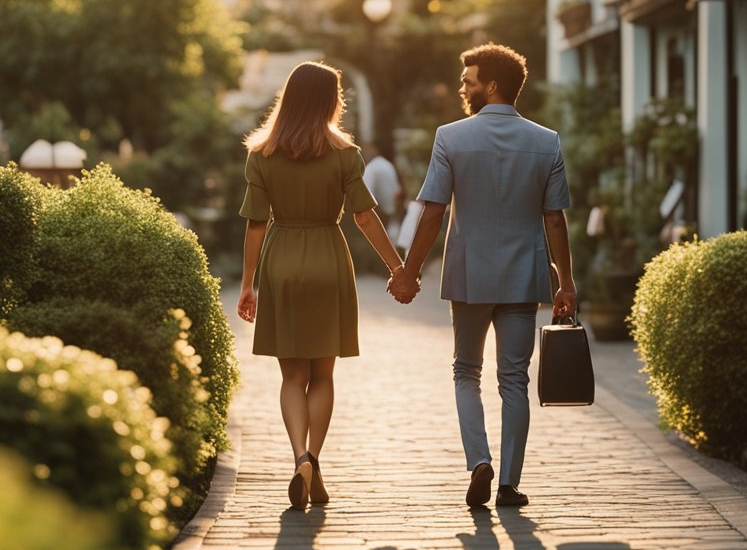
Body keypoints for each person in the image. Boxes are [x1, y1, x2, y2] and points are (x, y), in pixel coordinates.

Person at [390, 43, 576, 508]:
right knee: (514, 380)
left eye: (469, 80)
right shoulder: (546, 141)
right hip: (523, 277)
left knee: (465, 371)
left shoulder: (450, 137)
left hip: (470, 275)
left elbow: (433, 211)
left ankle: (479, 462)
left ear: (491, 85)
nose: (463, 87)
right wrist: (566, 283)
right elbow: (555, 218)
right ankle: (510, 484)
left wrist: (408, 272)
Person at [237, 60, 412, 510]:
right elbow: (365, 217)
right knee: (323, 375)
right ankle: (315, 457)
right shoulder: (345, 154)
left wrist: (247, 285)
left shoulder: (261, 154)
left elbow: (256, 224)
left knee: (292, 376)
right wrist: (399, 267)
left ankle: (299, 458)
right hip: (329, 260)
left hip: (281, 261)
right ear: (332, 101)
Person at [362, 142, 405, 238]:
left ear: (374, 149)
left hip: (379, 216)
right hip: (392, 213)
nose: (365, 153)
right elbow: (398, 192)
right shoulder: (388, 165)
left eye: (367, 149)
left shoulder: (371, 168)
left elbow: (366, 196)